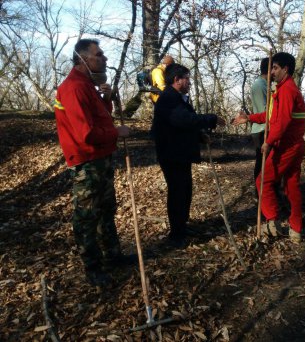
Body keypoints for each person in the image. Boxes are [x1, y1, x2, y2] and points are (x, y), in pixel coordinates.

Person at [54, 39, 136, 288]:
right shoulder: (74, 88)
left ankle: (113, 255)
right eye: (99, 55)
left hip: (101, 159)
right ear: (82, 59)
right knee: (87, 216)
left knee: (106, 209)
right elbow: (86, 134)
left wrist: (108, 98)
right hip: (86, 161)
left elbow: (100, 117)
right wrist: (117, 133)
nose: (105, 59)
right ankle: (93, 267)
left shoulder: (88, 86)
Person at [233, 52, 305, 243]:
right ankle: (296, 229)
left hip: (287, 146)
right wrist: (249, 117)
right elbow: (271, 115)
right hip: (292, 145)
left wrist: (269, 141)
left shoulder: (288, 90)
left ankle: (272, 221)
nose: (271, 72)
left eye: (274, 68)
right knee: (291, 186)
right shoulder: (280, 89)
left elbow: (281, 122)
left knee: (262, 181)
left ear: (285, 69)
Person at [151, 63, 225, 248]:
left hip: (179, 153)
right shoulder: (169, 98)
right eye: (187, 78)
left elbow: (182, 125)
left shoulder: (177, 97)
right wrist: (212, 119)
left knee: (185, 191)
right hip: (171, 154)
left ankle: (181, 226)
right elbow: (184, 120)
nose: (189, 82)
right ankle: (176, 234)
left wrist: (200, 136)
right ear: (177, 80)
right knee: (177, 193)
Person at [250, 58, 269, 180]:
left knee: (265, 162)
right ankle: (259, 193)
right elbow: (264, 112)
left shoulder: (265, 85)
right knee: (262, 162)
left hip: (263, 128)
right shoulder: (259, 85)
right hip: (261, 129)